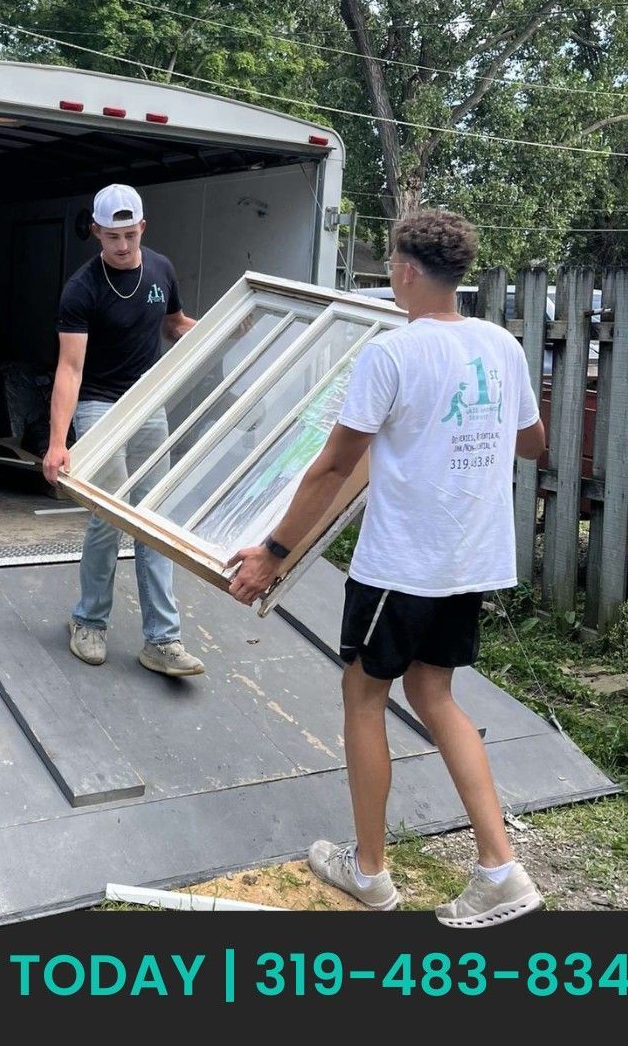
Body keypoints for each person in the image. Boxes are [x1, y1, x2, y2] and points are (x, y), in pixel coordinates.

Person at [227, 210, 547, 928]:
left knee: (363, 696)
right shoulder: (500, 345)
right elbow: (532, 443)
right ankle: (499, 866)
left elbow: (335, 464)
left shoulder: (392, 354)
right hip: (469, 559)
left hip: (404, 563)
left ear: (404, 269)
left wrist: (272, 554)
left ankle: (370, 872)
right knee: (435, 695)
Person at [42, 184, 205, 677]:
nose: (122, 246)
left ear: (143, 229)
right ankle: (88, 621)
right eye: (112, 236)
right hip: (98, 407)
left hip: (146, 406)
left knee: (154, 518)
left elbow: (175, 324)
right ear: (96, 233)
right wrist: (57, 443)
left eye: (130, 235)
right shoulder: (82, 288)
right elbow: (69, 369)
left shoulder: (161, 269)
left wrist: (220, 330)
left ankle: (163, 641)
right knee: (109, 516)